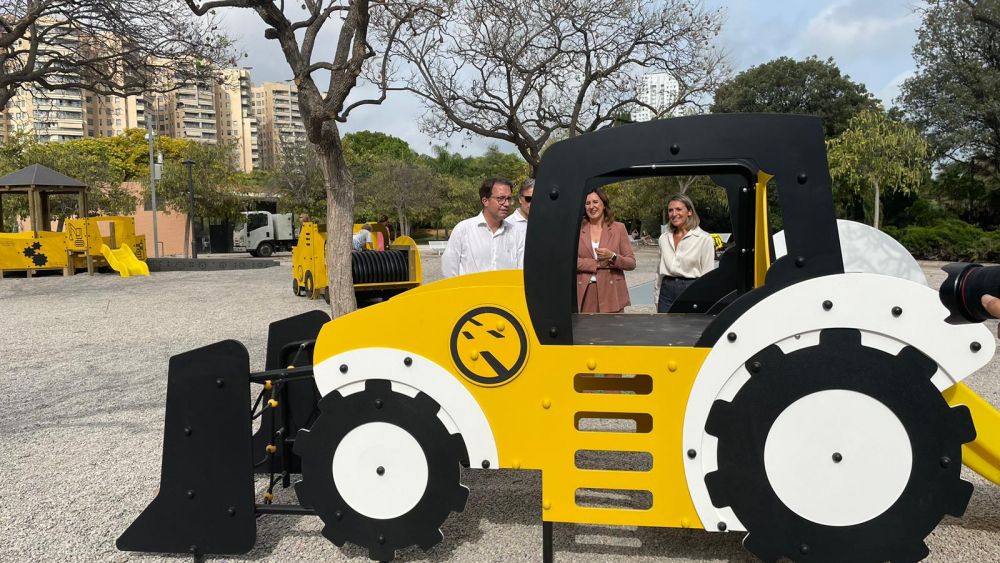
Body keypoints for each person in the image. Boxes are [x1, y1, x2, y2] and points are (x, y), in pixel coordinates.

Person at [442, 177, 526, 277]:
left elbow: (521, 273)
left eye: (508, 199)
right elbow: (449, 270)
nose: (507, 204)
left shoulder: (516, 234)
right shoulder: (463, 230)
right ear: (485, 201)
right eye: (501, 199)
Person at [576, 187, 636, 313]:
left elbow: (631, 263)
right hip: (586, 292)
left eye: (595, 202)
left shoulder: (618, 228)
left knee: (612, 332)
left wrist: (613, 257)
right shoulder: (576, 229)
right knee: (587, 332)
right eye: (587, 203)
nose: (592, 206)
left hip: (612, 293)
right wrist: (597, 264)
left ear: (604, 204)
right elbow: (571, 262)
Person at [655, 194, 715, 313]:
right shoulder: (663, 238)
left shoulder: (704, 239)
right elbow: (659, 272)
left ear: (689, 212)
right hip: (666, 292)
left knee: (688, 329)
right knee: (665, 329)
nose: (674, 213)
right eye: (670, 210)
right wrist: (657, 298)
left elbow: (708, 275)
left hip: (691, 290)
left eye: (678, 209)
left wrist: (705, 302)